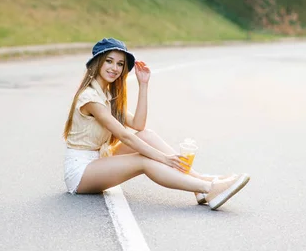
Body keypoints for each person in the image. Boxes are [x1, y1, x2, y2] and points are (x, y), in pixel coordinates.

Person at [63, 37, 250, 210]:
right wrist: (163, 158)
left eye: (120, 64)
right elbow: (125, 136)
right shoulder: (90, 98)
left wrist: (143, 84)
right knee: (143, 160)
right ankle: (208, 188)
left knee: (147, 136)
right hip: (81, 171)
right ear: (97, 63)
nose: (115, 68)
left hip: (99, 159)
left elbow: (138, 125)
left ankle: (201, 182)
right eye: (109, 61)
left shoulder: (107, 95)